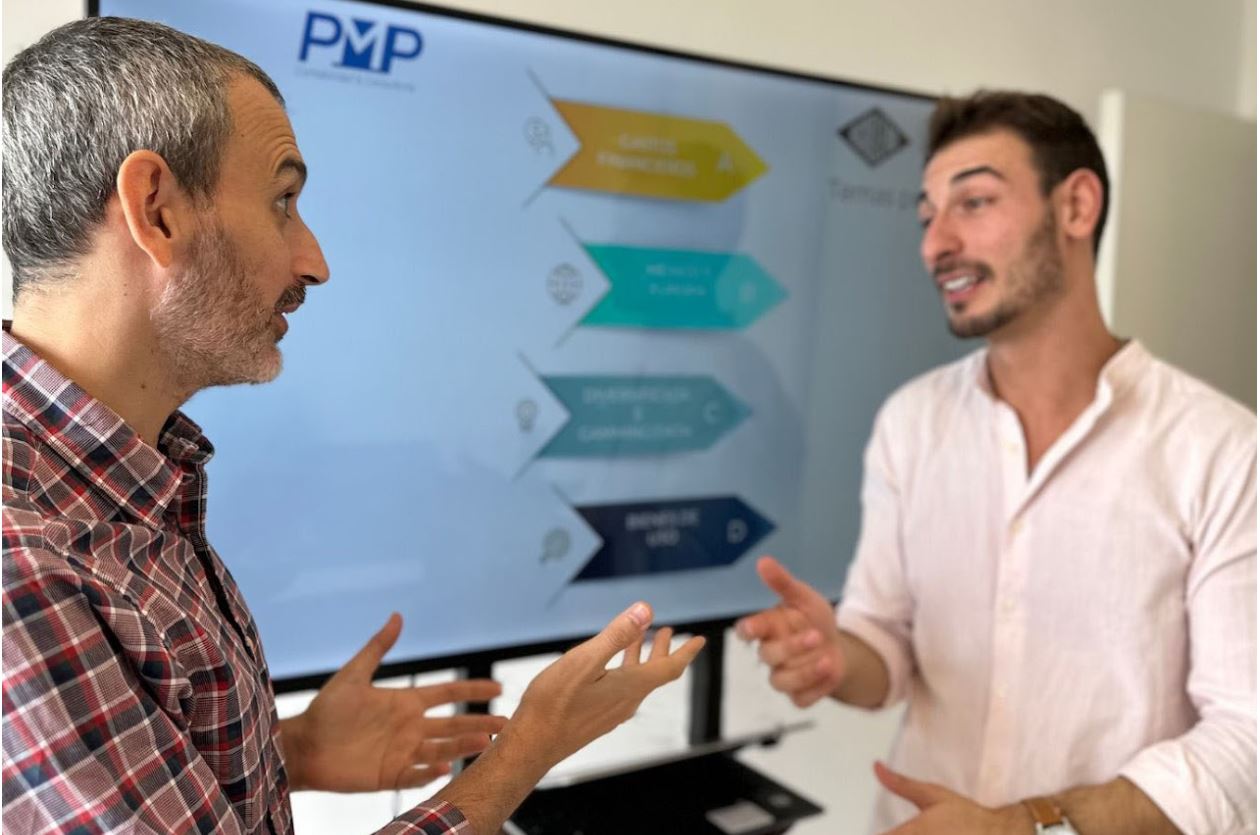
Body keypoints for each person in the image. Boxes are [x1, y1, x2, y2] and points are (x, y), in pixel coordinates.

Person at [1, 17, 704, 835]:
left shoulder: (128, 482)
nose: (315, 261)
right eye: (283, 201)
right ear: (156, 210)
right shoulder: (23, 565)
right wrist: (530, 747)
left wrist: (285, 749)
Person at [737, 91, 1255, 834]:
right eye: (926, 217)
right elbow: (885, 644)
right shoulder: (911, 423)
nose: (935, 244)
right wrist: (835, 657)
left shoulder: (1224, 451)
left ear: (1076, 206)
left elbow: (1246, 738)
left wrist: (1027, 825)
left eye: (973, 202)